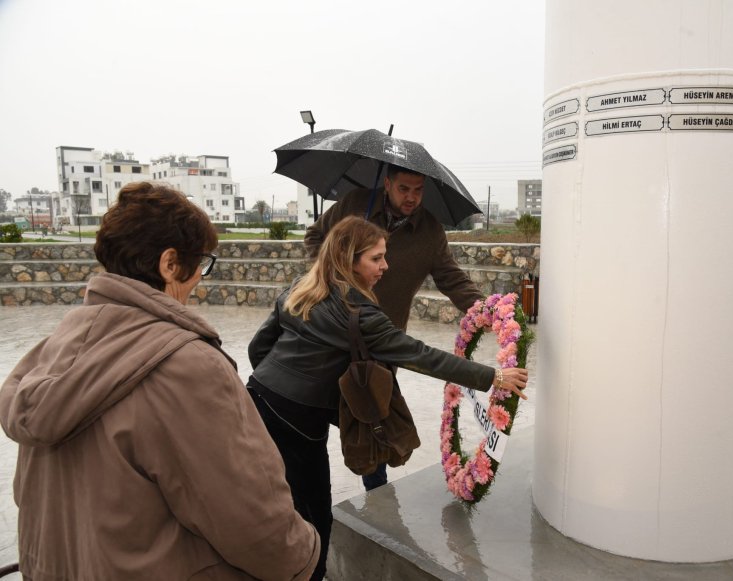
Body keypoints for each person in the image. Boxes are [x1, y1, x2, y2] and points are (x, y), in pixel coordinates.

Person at [0, 182, 319, 580]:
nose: (200, 278)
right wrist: (303, 556)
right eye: (200, 262)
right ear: (170, 264)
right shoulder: (187, 367)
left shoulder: (55, 348)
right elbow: (252, 521)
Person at [248, 216, 528, 581]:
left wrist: (277, 386)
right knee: (314, 512)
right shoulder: (360, 314)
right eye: (376, 258)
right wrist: (494, 376)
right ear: (350, 260)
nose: (386, 266)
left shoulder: (302, 288)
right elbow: (423, 356)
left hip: (257, 400)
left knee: (273, 502)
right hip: (297, 421)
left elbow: (259, 347)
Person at [304, 163, 485, 490]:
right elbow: (316, 237)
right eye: (404, 188)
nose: (412, 197)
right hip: (331, 331)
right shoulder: (355, 204)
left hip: (380, 343)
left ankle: (378, 499)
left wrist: (484, 310)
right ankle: (309, 491)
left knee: (373, 424)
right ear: (387, 183)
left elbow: (451, 278)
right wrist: (327, 276)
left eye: (418, 190)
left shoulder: (430, 230)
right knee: (314, 414)